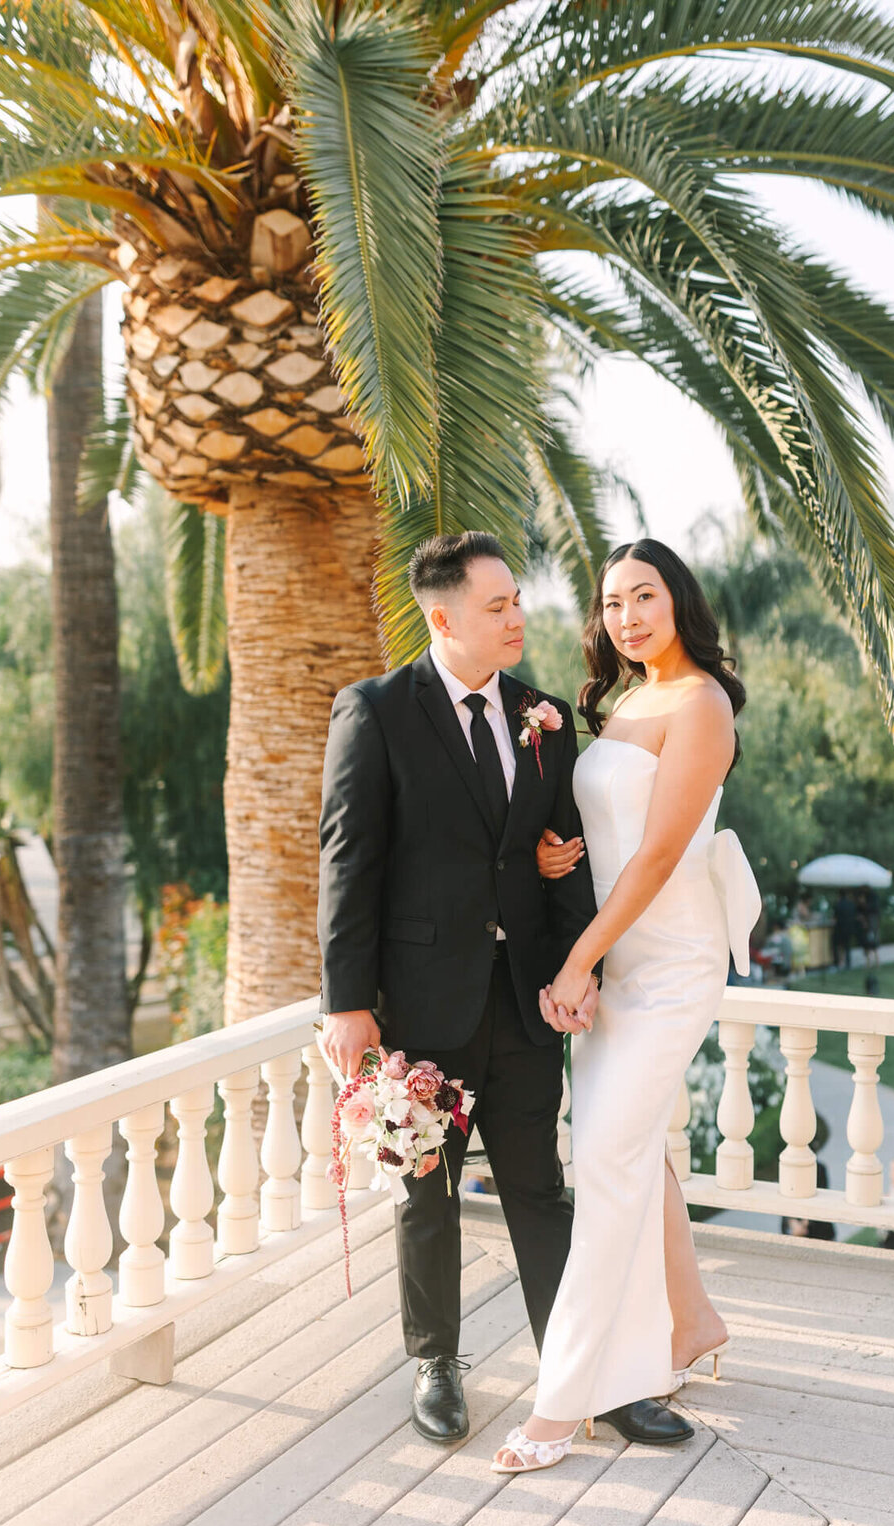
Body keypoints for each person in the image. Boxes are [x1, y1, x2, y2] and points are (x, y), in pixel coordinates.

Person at [316, 533, 693, 1449]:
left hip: (524, 999)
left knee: (540, 1190)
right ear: (442, 619)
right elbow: (347, 861)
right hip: (417, 1005)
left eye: (518, 600)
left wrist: (580, 971)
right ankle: (436, 1364)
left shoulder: (547, 716)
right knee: (427, 1195)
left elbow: (565, 865)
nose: (519, 617)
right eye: (497, 607)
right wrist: (346, 1000)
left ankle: (585, 1375)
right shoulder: (374, 711)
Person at [492, 537, 759, 1474]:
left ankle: (564, 1403)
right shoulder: (618, 703)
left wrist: (575, 964)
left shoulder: (703, 704)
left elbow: (655, 857)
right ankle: (690, 1324)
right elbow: (605, 835)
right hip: (611, 953)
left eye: (644, 596)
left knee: (603, 1158)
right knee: (626, 1148)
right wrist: (556, 862)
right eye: (612, 604)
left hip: (672, 962)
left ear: (678, 599)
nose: (629, 617)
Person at [832, 888, 857, 970]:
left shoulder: (837, 905)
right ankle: (848, 963)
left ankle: (839, 962)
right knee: (847, 947)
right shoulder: (851, 904)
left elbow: (834, 919)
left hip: (840, 928)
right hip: (849, 928)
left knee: (839, 946)